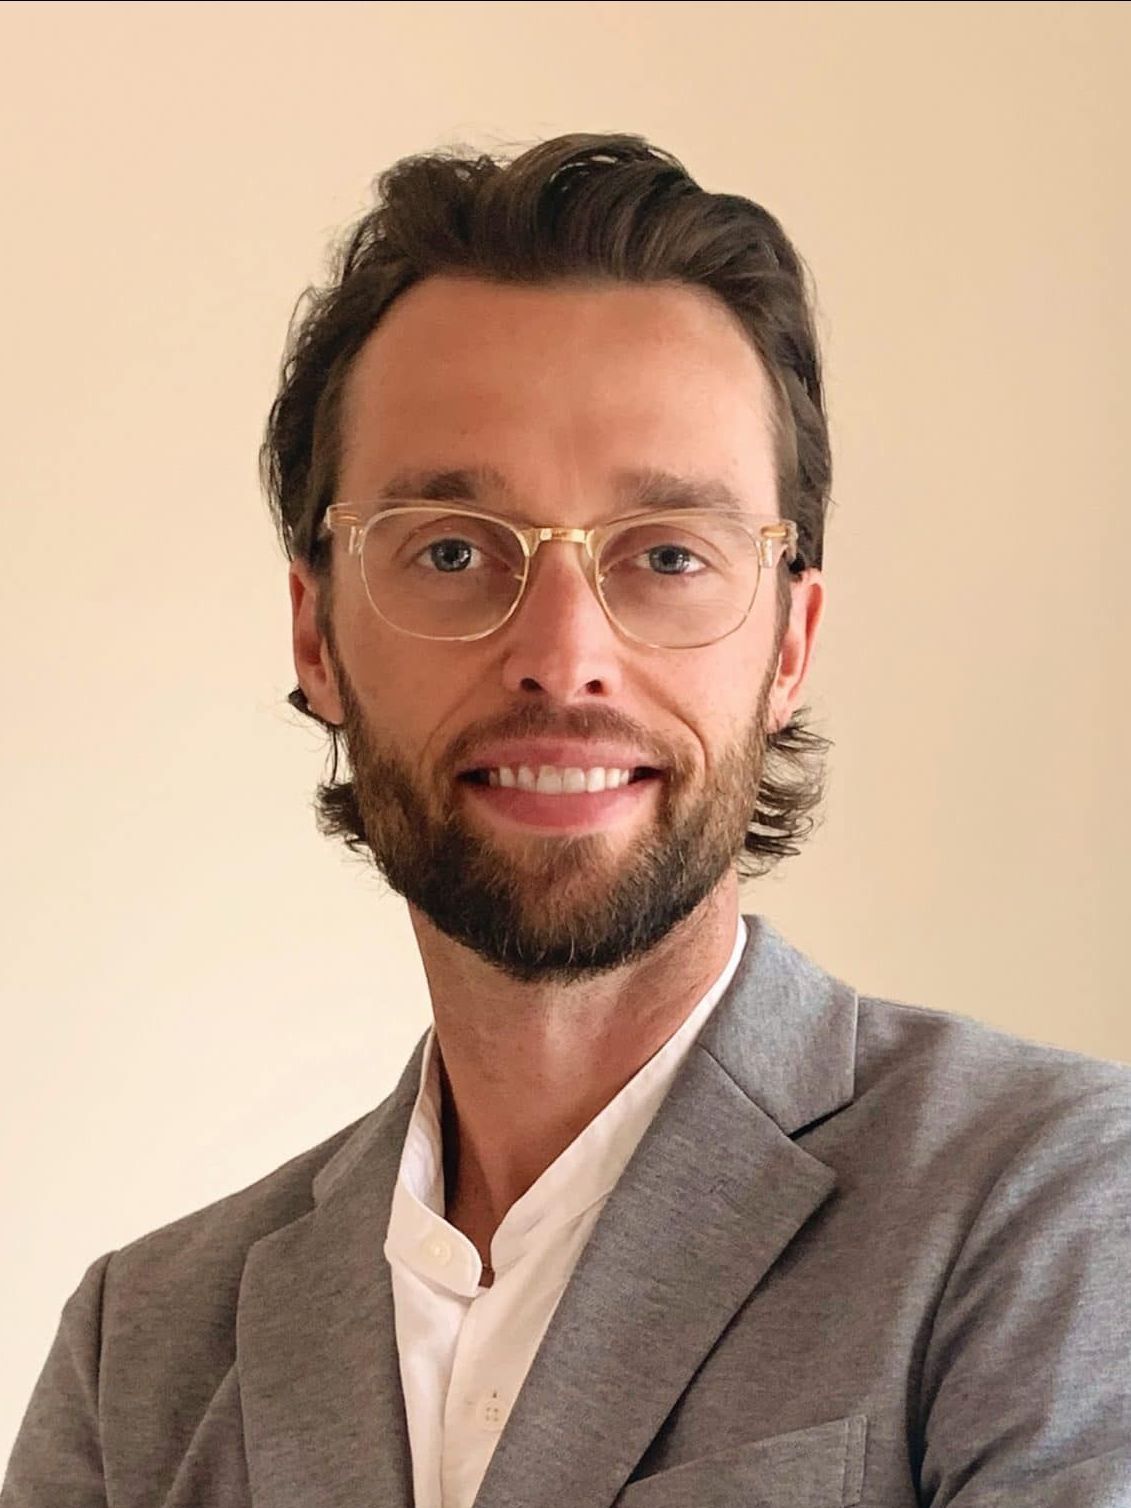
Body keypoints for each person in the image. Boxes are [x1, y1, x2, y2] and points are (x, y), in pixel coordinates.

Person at [4, 132, 1129, 1508]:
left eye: (665, 556)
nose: (562, 654)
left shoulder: (1048, 1204)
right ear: (315, 633)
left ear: (788, 646)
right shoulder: (142, 1354)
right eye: (453, 550)